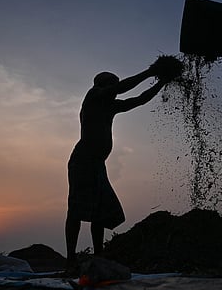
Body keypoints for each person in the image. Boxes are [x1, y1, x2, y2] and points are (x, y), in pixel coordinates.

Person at [65, 57, 180, 272]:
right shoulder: (92, 97)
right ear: (100, 85)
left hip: (98, 164)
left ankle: (98, 257)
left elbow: (139, 100)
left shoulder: (111, 106)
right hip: (82, 162)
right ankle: (70, 260)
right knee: (76, 210)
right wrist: (150, 72)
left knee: (99, 211)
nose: (115, 90)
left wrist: (161, 82)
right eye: (111, 85)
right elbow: (122, 88)